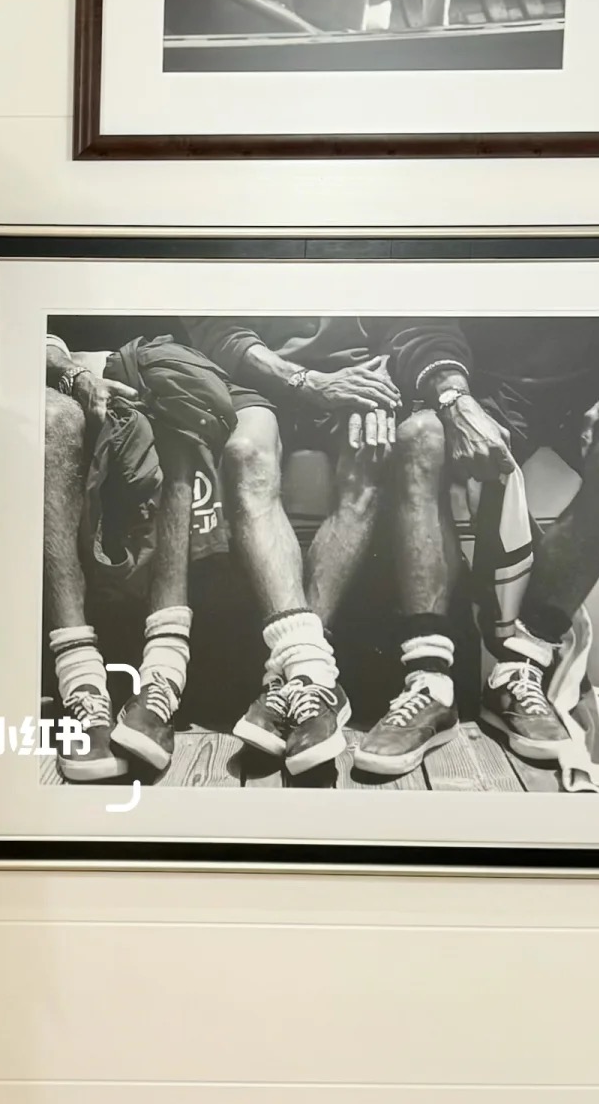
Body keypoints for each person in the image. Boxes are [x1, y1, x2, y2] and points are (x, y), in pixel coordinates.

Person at [183, 315, 431, 774]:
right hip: (255, 378)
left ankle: (298, 679)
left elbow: (408, 321)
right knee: (245, 452)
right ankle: (314, 676)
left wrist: (382, 377)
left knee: (369, 454)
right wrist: (306, 380)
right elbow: (217, 327)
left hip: (356, 375)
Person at [384, 314, 599, 761]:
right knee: (419, 438)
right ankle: (429, 679)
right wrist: (455, 399)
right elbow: (419, 316)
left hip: (588, 378)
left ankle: (521, 667)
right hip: (483, 379)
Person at [43, 328, 236, 779]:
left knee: (178, 400)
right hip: (67, 369)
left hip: (153, 365)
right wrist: (76, 375)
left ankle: (162, 678)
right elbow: (24, 330)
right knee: (55, 419)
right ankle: (81, 684)